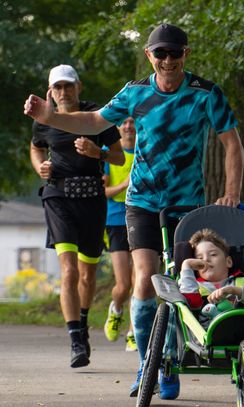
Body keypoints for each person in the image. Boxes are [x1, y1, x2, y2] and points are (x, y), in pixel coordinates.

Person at [24, 24, 244, 400]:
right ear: (149, 56)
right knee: (144, 280)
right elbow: (93, 122)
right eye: (161, 54)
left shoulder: (205, 94)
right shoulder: (135, 92)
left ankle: (173, 356)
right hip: (141, 201)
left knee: (179, 285)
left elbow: (231, 142)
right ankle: (149, 362)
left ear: (185, 54)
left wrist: (231, 193)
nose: (168, 61)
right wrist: (48, 117)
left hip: (185, 203)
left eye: (175, 53)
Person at [29, 64, 124, 369]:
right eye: (57, 87)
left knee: (87, 274)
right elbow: (35, 148)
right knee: (69, 271)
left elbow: (119, 156)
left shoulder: (98, 117)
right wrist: (40, 166)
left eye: (68, 86)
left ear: (78, 87)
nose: (63, 92)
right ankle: (75, 341)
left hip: (92, 200)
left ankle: (82, 325)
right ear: (50, 91)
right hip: (58, 197)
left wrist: (99, 153)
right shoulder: (43, 117)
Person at [179, 228, 244, 321]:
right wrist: (186, 265)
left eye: (213, 254)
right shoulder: (194, 287)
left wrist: (235, 290)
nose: (205, 260)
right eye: (200, 258)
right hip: (208, 334)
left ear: (228, 262)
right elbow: (190, 305)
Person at [103, 117, 137, 352]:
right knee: (123, 284)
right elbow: (102, 191)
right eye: (123, 123)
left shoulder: (146, 149)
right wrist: (125, 184)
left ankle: (134, 332)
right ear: (117, 127)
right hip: (116, 220)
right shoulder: (107, 153)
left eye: (132, 122)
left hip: (143, 216)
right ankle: (116, 309)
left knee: (141, 280)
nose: (128, 127)